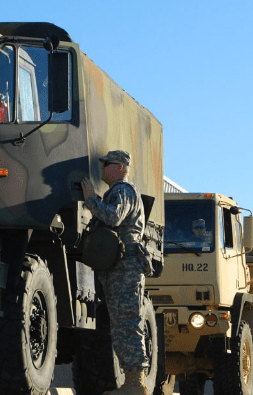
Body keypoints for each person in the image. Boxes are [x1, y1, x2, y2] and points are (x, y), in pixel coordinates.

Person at [80, 149, 152, 395]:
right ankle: (132, 382)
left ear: (120, 167)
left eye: (107, 164)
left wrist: (91, 199)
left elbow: (113, 217)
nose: (103, 169)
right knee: (121, 323)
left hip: (126, 266)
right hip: (120, 266)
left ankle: (136, 383)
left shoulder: (123, 190)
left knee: (127, 323)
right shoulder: (118, 191)